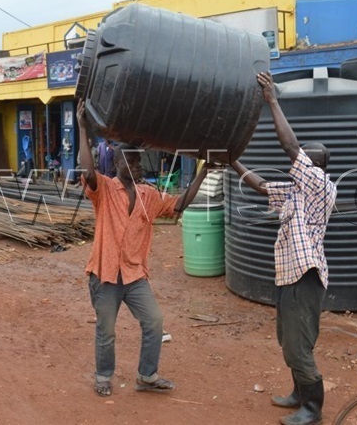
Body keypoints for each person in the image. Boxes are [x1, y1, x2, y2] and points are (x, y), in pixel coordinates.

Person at [76, 98, 213, 397]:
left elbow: (180, 205)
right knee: (107, 331)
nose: (137, 166)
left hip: (134, 275)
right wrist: (82, 125)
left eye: (139, 161)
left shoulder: (149, 195)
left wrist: (203, 170)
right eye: (132, 161)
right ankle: (103, 375)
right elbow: (87, 171)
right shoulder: (104, 190)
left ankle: (146, 376)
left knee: (154, 321)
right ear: (116, 163)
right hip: (105, 274)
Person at [231, 71, 336, 425]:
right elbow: (261, 186)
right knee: (288, 338)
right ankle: (298, 394)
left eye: (307, 155)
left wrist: (272, 100)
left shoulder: (322, 186)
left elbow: (291, 147)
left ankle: (313, 409)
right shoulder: (295, 191)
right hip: (289, 277)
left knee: (298, 344)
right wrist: (231, 160)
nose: (300, 156)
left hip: (305, 277)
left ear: (316, 165)